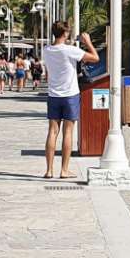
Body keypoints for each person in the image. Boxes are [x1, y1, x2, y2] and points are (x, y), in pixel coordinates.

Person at [42, 21, 99, 179]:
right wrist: (88, 42)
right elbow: (95, 58)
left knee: (52, 132)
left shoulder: (46, 50)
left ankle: (49, 170)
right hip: (70, 95)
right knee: (68, 132)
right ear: (66, 34)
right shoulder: (71, 50)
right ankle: (64, 170)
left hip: (53, 95)